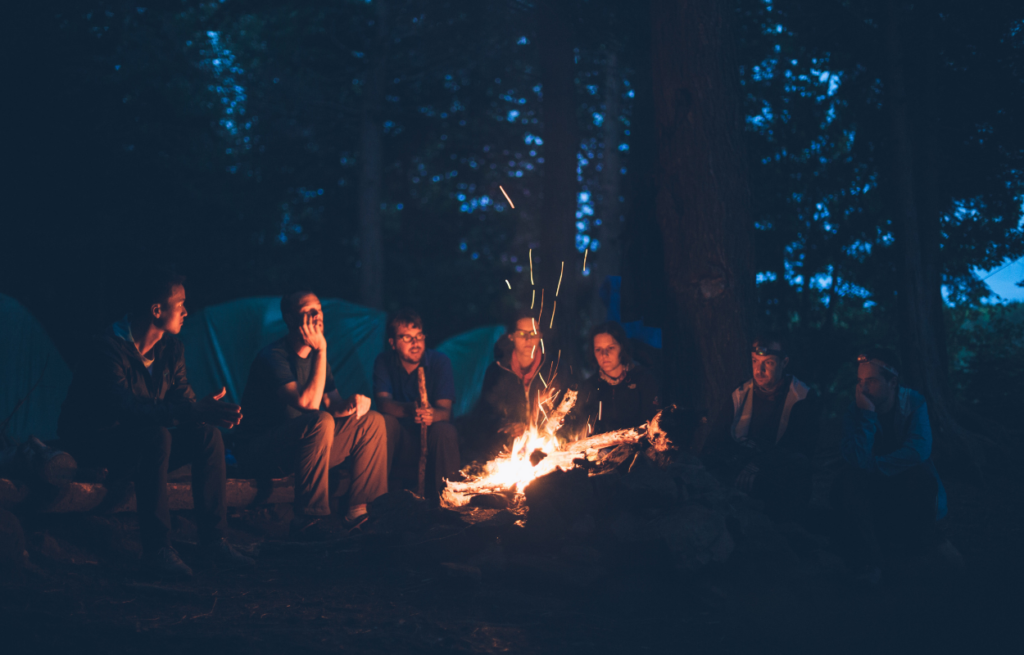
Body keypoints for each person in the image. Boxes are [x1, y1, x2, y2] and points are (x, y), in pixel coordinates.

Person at [58, 269, 254, 577]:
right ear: (157, 310)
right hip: (97, 445)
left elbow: (181, 400)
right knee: (157, 436)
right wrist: (190, 411)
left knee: (206, 437)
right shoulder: (107, 349)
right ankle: (157, 549)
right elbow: (126, 411)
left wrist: (203, 412)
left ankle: (214, 541)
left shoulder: (170, 348)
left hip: (142, 443)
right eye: (181, 304)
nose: (187, 311)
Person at [234, 291, 387, 538]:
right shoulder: (273, 357)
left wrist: (354, 403)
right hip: (263, 452)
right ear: (290, 319)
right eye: (308, 311)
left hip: (304, 449)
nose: (317, 316)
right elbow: (309, 403)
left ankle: (360, 511)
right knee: (320, 420)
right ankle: (309, 518)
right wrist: (321, 349)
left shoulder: (318, 360)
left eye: (319, 309)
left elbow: (333, 403)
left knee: (372, 421)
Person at [833, 347, 947, 585]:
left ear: (892, 382)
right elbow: (854, 460)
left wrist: (876, 465)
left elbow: (918, 450)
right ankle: (870, 562)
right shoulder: (856, 409)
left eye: (871, 381)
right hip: (872, 488)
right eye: (860, 381)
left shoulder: (913, 403)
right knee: (846, 480)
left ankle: (919, 551)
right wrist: (866, 416)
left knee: (921, 475)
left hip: (903, 482)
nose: (863, 388)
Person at [707, 333, 820, 522]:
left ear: (784, 363)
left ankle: (785, 529)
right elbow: (715, 440)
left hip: (776, 472)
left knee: (798, 467)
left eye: (768, 363)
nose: (759, 371)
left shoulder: (802, 397)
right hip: (741, 469)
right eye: (754, 361)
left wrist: (759, 464)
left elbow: (801, 448)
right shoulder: (740, 394)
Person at [373, 309, 460, 499]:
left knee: (445, 430)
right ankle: (375, 501)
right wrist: (409, 410)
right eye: (406, 338)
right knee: (384, 422)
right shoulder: (384, 361)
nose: (415, 343)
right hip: (400, 441)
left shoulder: (439, 362)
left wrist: (430, 414)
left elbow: (444, 412)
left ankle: (449, 502)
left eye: (419, 336)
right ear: (393, 343)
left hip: (432, 438)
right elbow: (383, 403)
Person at [470, 309, 570, 457]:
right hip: (509, 448)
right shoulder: (496, 371)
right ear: (511, 336)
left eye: (534, 333)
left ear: (541, 336)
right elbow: (485, 415)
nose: (528, 339)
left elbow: (569, 410)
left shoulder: (555, 369)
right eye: (522, 334)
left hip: (547, 445)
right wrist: (506, 425)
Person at [567, 321, 661, 437]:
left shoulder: (643, 379)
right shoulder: (589, 387)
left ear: (622, 347)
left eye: (610, 348)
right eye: (598, 349)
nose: (604, 354)